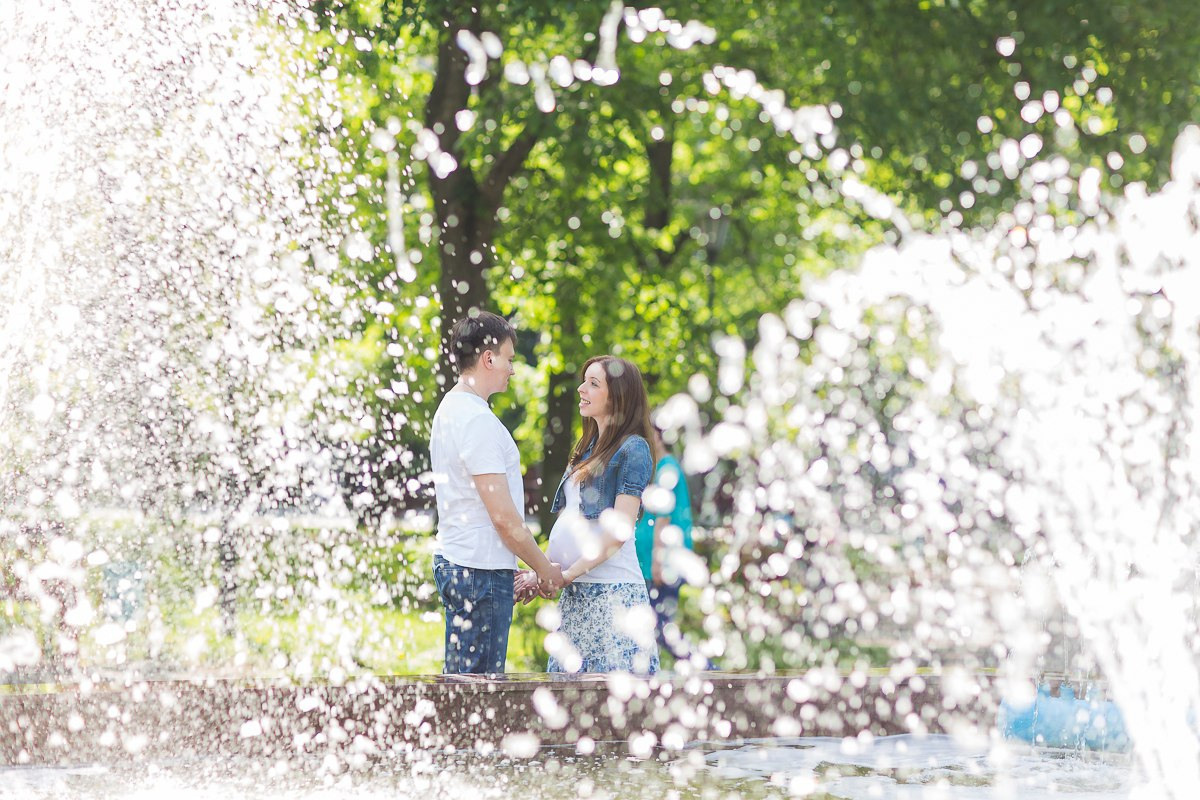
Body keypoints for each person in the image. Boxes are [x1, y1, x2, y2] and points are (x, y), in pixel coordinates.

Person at [429, 311, 565, 674]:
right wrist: (544, 570)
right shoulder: (477, 421)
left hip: (465, 563)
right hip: (480, 575)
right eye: (509, 358)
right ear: (488, 358)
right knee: (480, 702)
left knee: (463, 694)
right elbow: (503, 519)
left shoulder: (450, 410)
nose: (513, 369)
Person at [515, 355, 659, 675]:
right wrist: (543, 571)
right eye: (584, 381)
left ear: (618, 396)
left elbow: (616, 533)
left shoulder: (633, 449)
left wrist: (566, 574)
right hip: (578, 596)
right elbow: (572, 525)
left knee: (614, 706)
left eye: (593, 384)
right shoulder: (587, 446)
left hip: (613, 598)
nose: (581, 389)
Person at [633, 424, 698, 663]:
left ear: (660, 438)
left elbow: (663, 516)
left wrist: (659, 562)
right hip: (653, 562)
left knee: (659, 628)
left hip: (663, 562)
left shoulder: (667, 468)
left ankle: (703, 668)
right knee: (652, 628)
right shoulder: (657, 468)